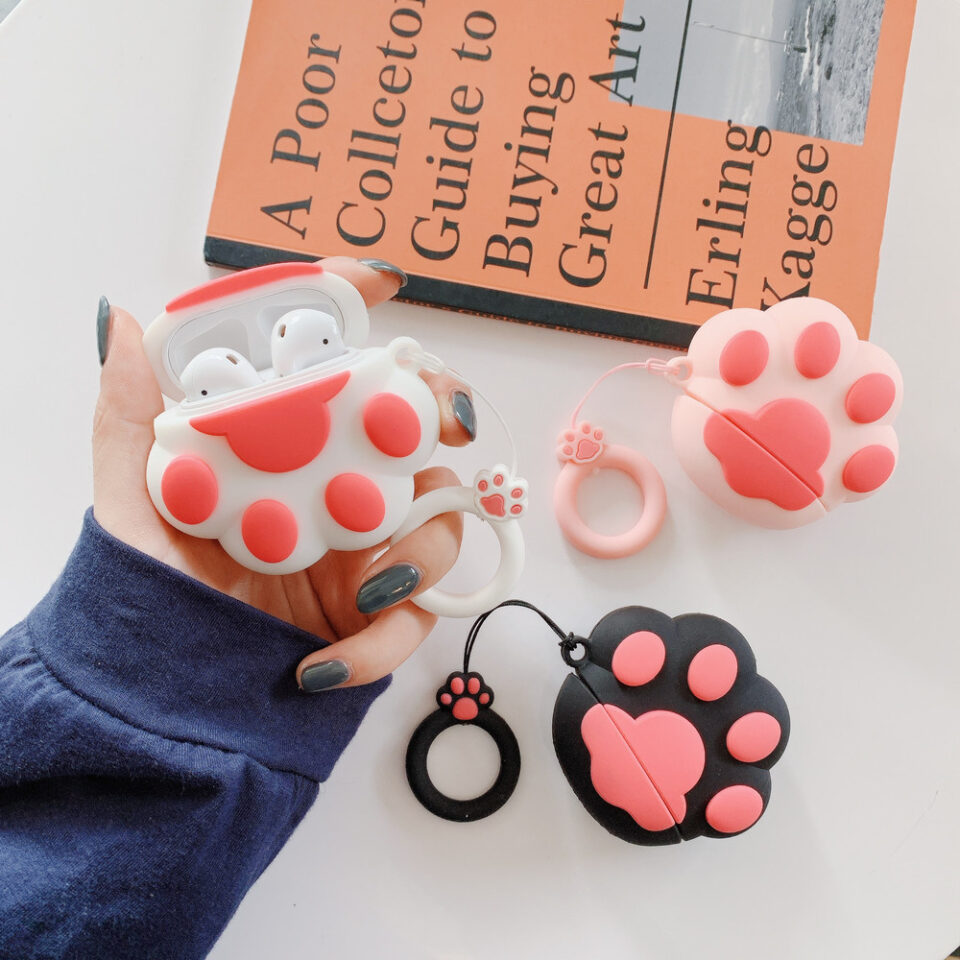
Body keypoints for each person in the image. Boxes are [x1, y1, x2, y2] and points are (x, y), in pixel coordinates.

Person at [0, 258, 475, 959]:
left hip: (274, 495)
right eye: (211, 378)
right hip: (257, 501)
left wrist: (141, 652)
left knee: (349, 488)